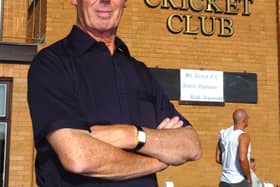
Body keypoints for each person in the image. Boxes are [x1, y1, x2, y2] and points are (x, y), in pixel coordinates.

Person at [27, 0, 202, 187]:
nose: (105, 1)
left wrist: (131, 135)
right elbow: (79, 157)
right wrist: (158, 160)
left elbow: (191, 145)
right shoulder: (52, 64)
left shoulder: (139, 72)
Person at [216, 109, 251, 187]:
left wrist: (229, 166)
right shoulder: (243, 136)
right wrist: (249, 177)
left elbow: (218, 158)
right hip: (239, 181)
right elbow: (242, 158)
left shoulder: (223, 134)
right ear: (244, 120)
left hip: (224, 182)